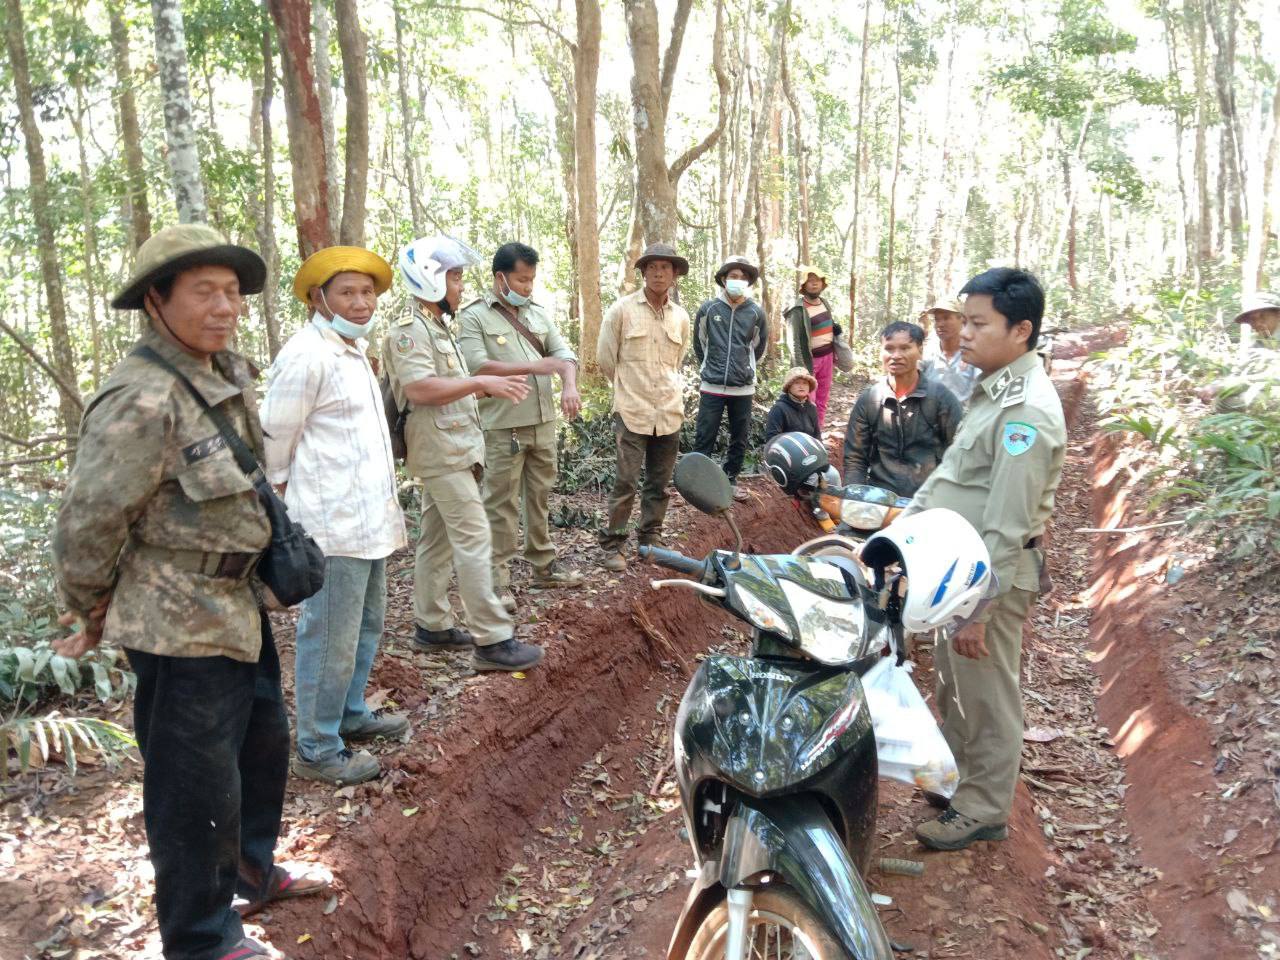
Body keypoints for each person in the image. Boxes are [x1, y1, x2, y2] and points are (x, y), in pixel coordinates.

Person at [51, 224, 330, 960]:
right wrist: (88, 607)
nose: (224, 306)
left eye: (232, 292)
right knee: (194, 787)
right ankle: (201, 938)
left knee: (262, 748)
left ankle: (253, 874)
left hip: (235, 607)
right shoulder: (138, 397)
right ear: (156, 299)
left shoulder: (220, 371)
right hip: (176, 624)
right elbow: (90, 519)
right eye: (204, 291)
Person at [894, 267, 1066, 852]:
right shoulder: (993, 391)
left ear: (1021, 330)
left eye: (977, 323)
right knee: (954, 685)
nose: (963, 334)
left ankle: (985, 809)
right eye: (963, 322)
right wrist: (898, 532)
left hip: (989, 578)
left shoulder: (1026, 413)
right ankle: (961, 781)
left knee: (987, 695)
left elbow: (1008, 523)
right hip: (956, 572)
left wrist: (980, 610)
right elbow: (952, 476)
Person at [260, 246, 408, 785]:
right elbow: (274, 437)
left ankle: (349, 714)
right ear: (318, 299)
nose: (361, 301)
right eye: (347, 292)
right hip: (331, 525)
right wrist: (282, 501)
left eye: (367, 292)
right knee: (330, 637)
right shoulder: (307, 354)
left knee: (365, 625)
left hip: (369, 519)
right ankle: (317, 747)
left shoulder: (352, 351)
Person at [383, 235, 544, 673]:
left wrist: (483, 388)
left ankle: (432, 625)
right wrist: (480, 382)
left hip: (455, 448)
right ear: (430, 280)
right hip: (440, 452)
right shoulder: (409, 331)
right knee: (474, 536)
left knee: (436, 539)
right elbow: (420, 389)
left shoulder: (437, 326)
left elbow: (448, 388)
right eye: (454, 278)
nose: (460, 286)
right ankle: (492, 639)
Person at [456, 242, 584, 612]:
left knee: (539, 497)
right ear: (501, 278)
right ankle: (497, 580)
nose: (527, 287)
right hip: (503, 425)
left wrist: (570, 385)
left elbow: (564, 355)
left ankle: (543, 566)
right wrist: (532, 367)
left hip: (543, 421)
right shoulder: (475, 317)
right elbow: (476, 367)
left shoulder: (537, 313)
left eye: (531, 280)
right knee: (500, 503)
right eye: (521, 280)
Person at [596, 242, 692, 572]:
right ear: (643, 272)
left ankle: (650, 539)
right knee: (625, 482)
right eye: (652, 267)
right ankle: (614, 544)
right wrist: (628, 390)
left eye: (665, 267)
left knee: (659, 484)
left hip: (668, 411)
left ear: (675, 274)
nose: (658, 273)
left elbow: (677, 361)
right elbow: (606, 359)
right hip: (631, 411)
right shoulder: (621, 311)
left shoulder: (681, 317)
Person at [842, 321, 963, 498]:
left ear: (920, 351)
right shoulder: (869, 400)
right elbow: (855, 458)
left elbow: (959, 454)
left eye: (905, 348)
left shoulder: (941, 399)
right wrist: (855, 498)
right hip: (879, 499)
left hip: (930, 499)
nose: (896, 355)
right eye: (889, 348)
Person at [692, 255, 768, 500]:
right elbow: (700, 343)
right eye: (733, 276)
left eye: (743, 277)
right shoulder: (709, 309)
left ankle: (730, 480)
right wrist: (711, 365)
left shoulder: (756, 312)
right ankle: (699, 483)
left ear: (748, 282)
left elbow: (758, 347)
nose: (738, 280)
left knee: (739, 437)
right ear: (724, 279)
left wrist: (743, 367)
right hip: (711, 385)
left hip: (742, 387)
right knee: (705, 435)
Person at [1203, 291, 1280, 413]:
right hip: (1264, 388)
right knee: (1224, 400)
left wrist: (1231, 385)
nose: (1257, 324)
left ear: (1278, 315)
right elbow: (1239, 371)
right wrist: (1218, 385)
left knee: (1250, 400)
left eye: (1262, 317)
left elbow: (1275, 377)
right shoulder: (1258, 342)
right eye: (1252, 320)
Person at [785, 266, 841, 428]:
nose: (814, 284)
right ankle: (806, 434)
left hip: (827, 358)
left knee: (822, 399)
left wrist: (835, 330)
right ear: (804, 285)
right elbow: (793, 341)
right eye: (810, 281)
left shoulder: (824, 303)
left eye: (818, 280)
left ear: (823, 284)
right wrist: (800, 368)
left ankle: (818, 432)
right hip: (809, 361)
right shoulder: (797, 309)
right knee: (809, 400)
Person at [920, 296, 982, 404]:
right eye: (937, 319)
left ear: (962, 320)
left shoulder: (974, 353)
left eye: (946, 318)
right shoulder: (927, 353)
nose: (940, 324)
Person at [764, 367, 820, 444]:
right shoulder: (779, 408)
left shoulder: (812, 408)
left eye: (805, 383)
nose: (801, 386)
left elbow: (817, 437)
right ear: (788, 386)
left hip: (809, 449)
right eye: (797, 383)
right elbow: (772, 440)